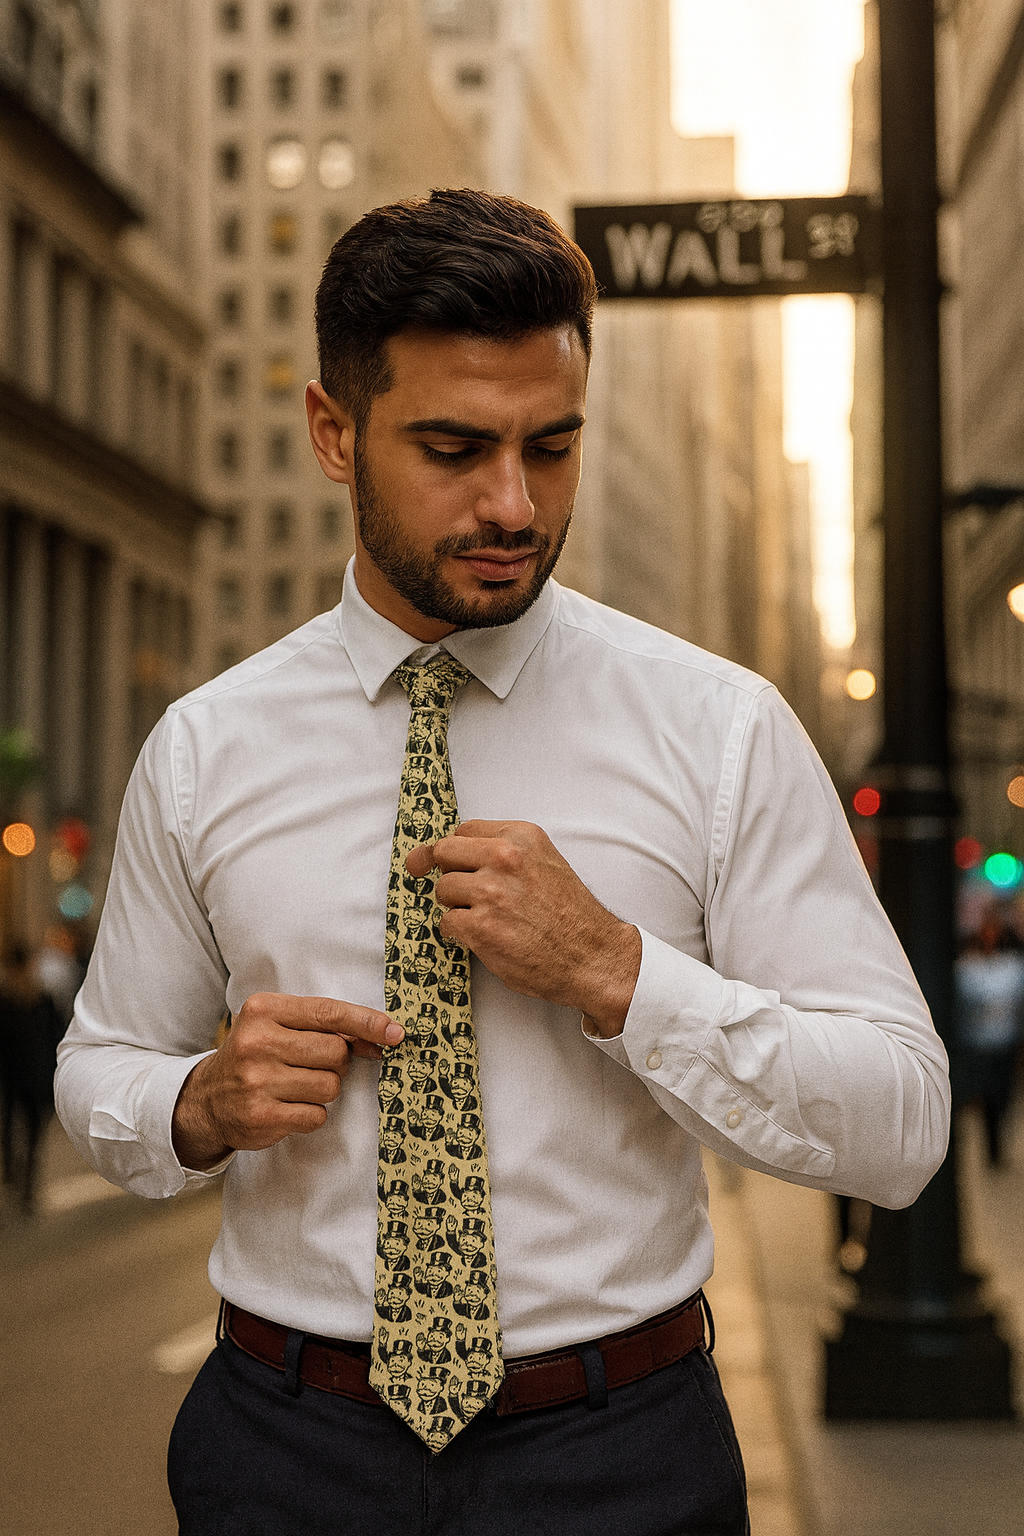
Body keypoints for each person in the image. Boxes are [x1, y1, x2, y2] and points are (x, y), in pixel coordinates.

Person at [56, 188, 950, 1535]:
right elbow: (97, 1067)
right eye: (455, 447)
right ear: (332, 432)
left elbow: (900, 1123)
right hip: (282, 1454)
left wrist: (620, 973)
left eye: (554, 446)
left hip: (622, 1458)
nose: (514, 502)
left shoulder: (716, 728)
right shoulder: (206, 748)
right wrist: (199, 1102)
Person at [954, 914, 1024, 1166]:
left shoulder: (1013, 966)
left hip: (1004, 1043)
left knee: (1003, 1096)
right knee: (989, 1096)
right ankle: (992, 1148)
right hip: (979, 1045)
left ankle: (997, 1144)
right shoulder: (968, 967)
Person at [1, 945, 63, 1214]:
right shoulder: (4, 1003)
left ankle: (27, 1187)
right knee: (8, 1134)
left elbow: (57, 1038)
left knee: (34, 1134)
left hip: (37, 1078)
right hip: (9, 1081)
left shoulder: (44, 1001)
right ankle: (12, 1173)